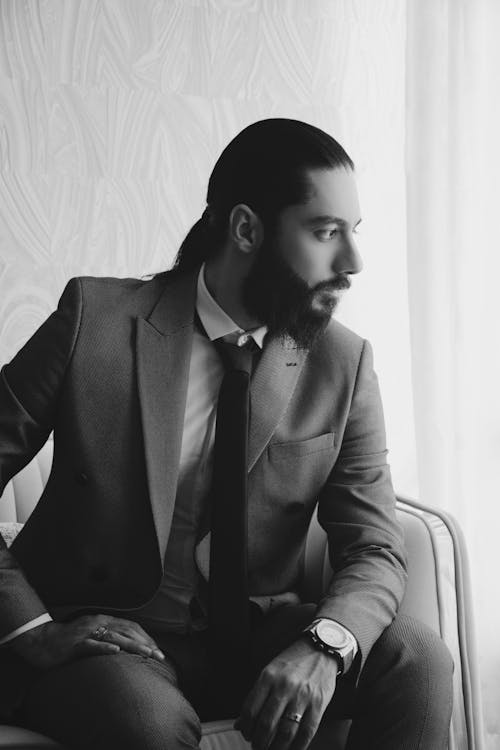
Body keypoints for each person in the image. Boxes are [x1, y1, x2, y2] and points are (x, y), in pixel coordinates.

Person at [0, 118, 453, 750]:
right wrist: (35, 629)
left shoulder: (342, 362)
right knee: (145, 723)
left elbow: (374, 546)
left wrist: (325, 645)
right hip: (113, 644)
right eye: (325, 232)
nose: (353, 262)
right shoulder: (95, 321)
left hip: (254, 638)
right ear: (246, 229)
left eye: (353, 233)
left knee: (418, 658)